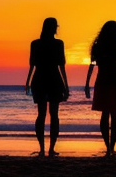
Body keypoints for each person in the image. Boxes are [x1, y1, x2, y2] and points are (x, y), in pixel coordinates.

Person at [84, 21, 116, 157]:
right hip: (113, 80)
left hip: (105, 80)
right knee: (113, 114)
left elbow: (92, 66)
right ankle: (111, 146)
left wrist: (87, 84)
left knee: (106, 114)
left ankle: (109, 146)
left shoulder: (100, 47)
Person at [25, 17, 69, 157]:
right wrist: (66, 85)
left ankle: (43, 148)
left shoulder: (35, 44)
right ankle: (50, 148)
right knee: (53, 115)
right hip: (54, 80)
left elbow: (32, 64)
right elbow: (61, 65)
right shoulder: (58, 44)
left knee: (41, 114)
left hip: (39, 79)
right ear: (54, 28)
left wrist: (28, 81)